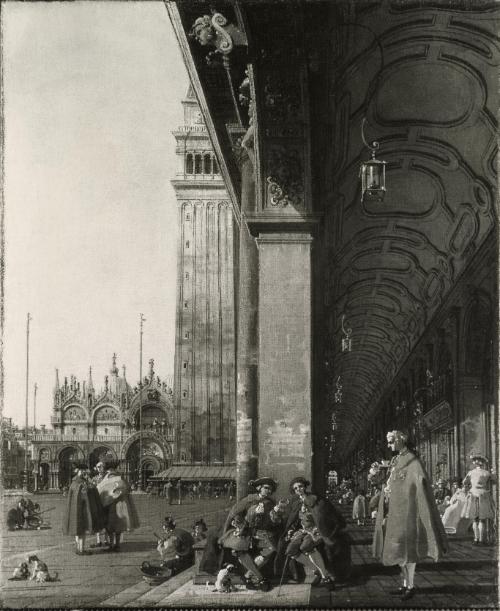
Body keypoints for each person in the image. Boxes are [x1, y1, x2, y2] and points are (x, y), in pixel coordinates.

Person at [373, 431, 448, 601]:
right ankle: (405, 584)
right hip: (394, 511)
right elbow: (392, 480)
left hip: (407, 511)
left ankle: (411, 586)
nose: (389, 445)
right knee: (398, 549)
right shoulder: (396, 459)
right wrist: (386, 487)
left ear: (400, 441)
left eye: (391, 442)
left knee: (408, 550)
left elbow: (418, 483)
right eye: (388, 442)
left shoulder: (413, 461)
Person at [276, 476, 351, 588]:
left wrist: (318, 529)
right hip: (303, 531)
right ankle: (319, 571)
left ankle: (325, 578)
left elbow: (322, 517)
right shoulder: (296, 502)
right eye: (295, 488)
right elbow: (294, 519)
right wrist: (291, 530)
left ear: (305, 486)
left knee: (305, 546)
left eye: (300, 486)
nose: (298, 489)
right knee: (290, 551)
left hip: (316, 531)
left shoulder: (315, 499)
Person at [218, 477, 287, 591]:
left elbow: (272, 522)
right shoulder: (249, 500)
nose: (268, 491)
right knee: (238, 550)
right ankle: (259, 578)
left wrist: (276, 512)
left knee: (271, 548)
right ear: (259, 488)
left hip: (260, 533)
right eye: (266, 488)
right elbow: (234, 513)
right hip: (245, 531)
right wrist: (234, 526)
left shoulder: (270, 503)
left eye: (270, 489)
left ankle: (248, 576)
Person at [62, 463, 105, 555]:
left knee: (78, 530)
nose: (85, 472)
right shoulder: (80, 483)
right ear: (79, 471)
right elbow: (85, 495)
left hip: (76, 510)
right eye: (83, 471)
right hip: (82, 510)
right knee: (81, 530)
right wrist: (91, 485)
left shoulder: (75, 482)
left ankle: (78, 548)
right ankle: (81, 550)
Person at [98, 460, 140, 552]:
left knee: (110, 526)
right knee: (118, 526)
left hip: (110, 505)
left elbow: (101, 490)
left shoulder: (108, 477)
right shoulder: (121, 477)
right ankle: (117, 544)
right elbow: (127, 488)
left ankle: (112, 544)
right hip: (121, 505)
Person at [462, 452, 496, 545]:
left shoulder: (471, 472)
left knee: (475, 519)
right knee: (482, 519)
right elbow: (495, 481)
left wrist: (470, 485)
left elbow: (464, 482)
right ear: (482, 463)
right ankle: (481, 540)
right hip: (483, 495)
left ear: (475, 463)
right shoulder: (486, 473)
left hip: (473, 494)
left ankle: (476, 539)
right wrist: (492, 473)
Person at [91, 462, 109, 548]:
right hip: (97, 502)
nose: (100, 468)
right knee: (97, 522)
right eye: (98, 467)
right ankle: (98, 540)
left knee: (106, 521)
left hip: (106, 502)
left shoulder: (108, 477)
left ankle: (106, 540)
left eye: (101, 467)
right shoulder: (94, 478)